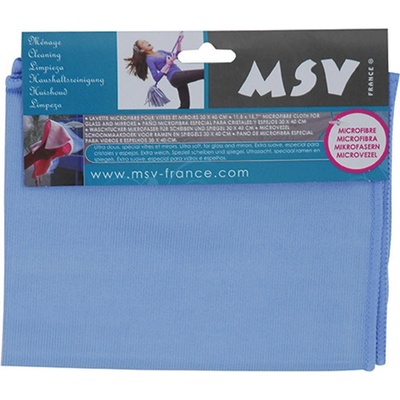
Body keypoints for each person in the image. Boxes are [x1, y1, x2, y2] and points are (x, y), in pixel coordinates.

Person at [125, 33, 204, 108]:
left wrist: (179, 42)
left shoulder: (160, 52)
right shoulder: (149, 59)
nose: (147, 42)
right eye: (143, 43)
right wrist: (168, 64)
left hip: (179, 75)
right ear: (142, 50)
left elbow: (177, 55)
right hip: (174, 77)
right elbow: (156, 77)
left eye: (145, 41)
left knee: (185, 106)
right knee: (204, 72)